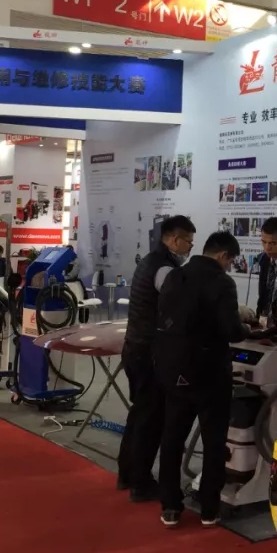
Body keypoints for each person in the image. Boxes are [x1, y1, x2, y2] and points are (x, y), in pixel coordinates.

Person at [155, 231, 250, 528]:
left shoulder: (175, 276)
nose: (229, 266)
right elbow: (231, 330)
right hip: (210, 372)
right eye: (230, 261)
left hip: (175, 369)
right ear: (223, 256)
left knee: (172, 438)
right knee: (213, 441)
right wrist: (247, 326)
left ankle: (170, 506)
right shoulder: (222, 282)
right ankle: (209, 508)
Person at [118, 215, 196, 502]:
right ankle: (141, 483)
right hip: (149, 352)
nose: (190, 247)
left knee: (140, 414)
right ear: (174, 240)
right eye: (188, 241)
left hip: (136, 347)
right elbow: (180, 305)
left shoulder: (150, 261)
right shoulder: (164, 269)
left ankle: (127, 473)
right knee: (151, 419)